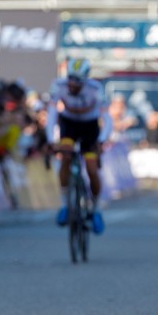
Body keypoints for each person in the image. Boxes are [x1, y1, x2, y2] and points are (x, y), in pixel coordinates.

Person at [49, 58, 106, 235]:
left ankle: (96, 209)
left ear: (85, 79)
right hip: (69, 126)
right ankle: (65, 205)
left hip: (90, 127)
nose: (72, 84)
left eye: (77, 81)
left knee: (91, 169)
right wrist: (51, 139)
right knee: (65, 157)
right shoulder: (58, 85)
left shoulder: (96, 89)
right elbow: (51, 115)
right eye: (70, 79)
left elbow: (108, 118)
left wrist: (101, 139)